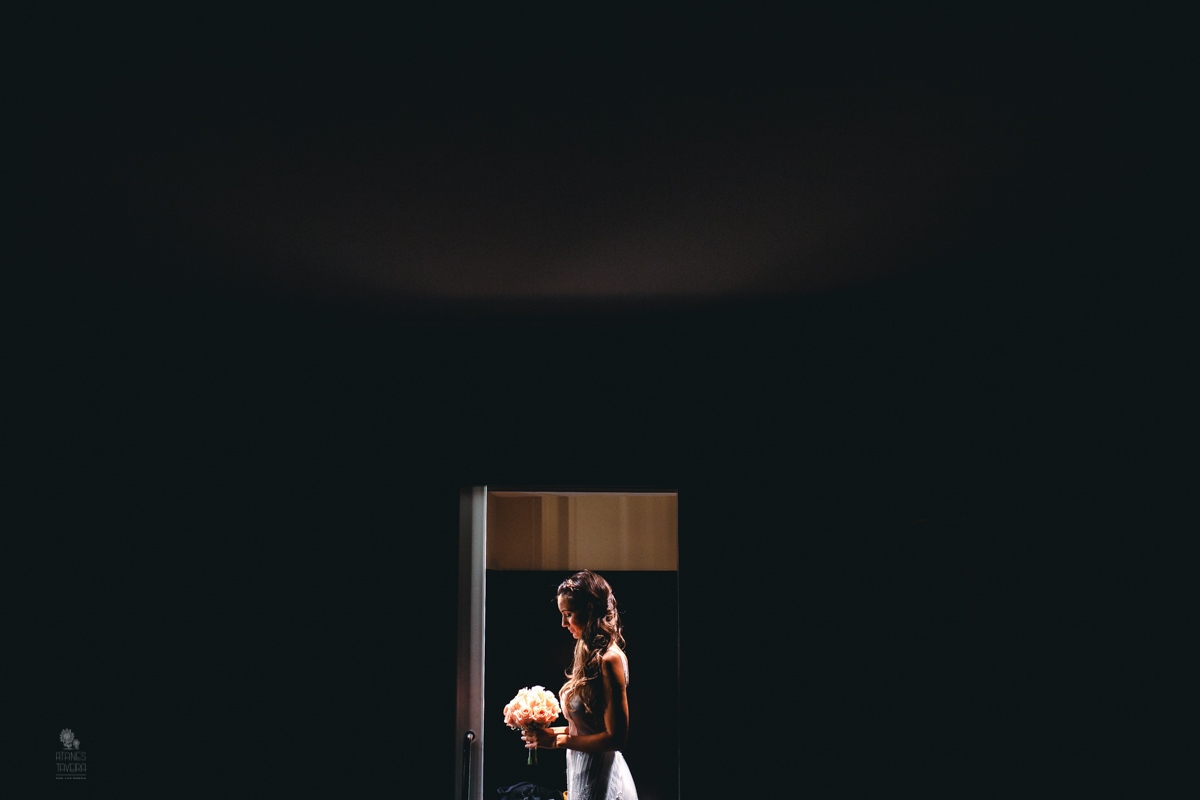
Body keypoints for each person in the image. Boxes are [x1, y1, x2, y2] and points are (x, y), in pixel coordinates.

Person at [522, 570, 639, 800]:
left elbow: (616, 738)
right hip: (580, 767)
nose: (563, 623)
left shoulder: (610, 658)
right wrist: (545, 734)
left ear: (590, 609)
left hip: (600, 773)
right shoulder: (588, 652)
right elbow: (587, 729)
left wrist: (556, 741)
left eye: (568, 614)